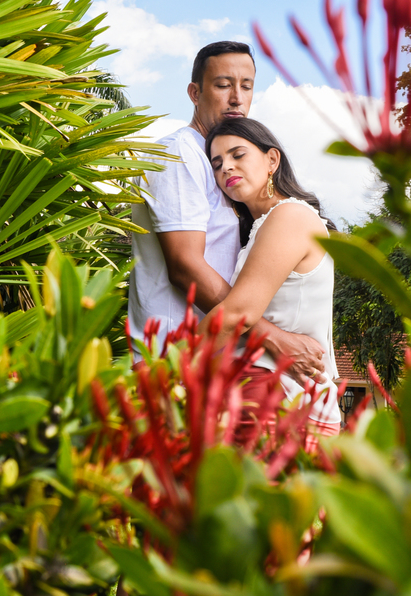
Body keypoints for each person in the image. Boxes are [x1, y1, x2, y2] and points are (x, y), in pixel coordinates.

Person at [128, 41, 326, 381]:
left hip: (217, 363)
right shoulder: (179, 154)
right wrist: (272, 338)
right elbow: (185, 267)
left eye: (246, 86)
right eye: (223, 85)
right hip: (172, 362)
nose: (237, 98)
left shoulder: (225, 170)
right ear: (194, 92)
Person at [202, 116, 342, 438]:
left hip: (283, 404)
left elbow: (238, 314)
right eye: (217, 163)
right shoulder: (262, 228)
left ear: (272, 160)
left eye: (238, 155)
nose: (226, 168)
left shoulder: (290, 216)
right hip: (271, 397)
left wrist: (170, 373)